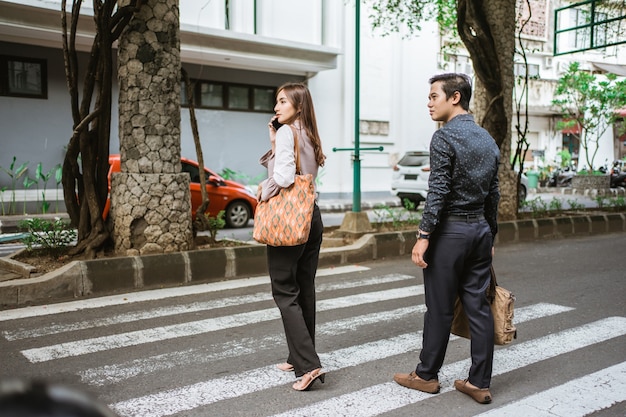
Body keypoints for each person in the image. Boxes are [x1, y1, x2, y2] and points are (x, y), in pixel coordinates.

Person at [393, 73, 500, 404]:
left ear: (455, 97)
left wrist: (423, 236)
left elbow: (438, 189)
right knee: (478, 308)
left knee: (439, 308)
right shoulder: (487, 139)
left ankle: (426, 375)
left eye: (433, 96)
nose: (429, 102)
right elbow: (493, 193)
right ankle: (479, 382)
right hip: (480, 231)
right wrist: (490, 234)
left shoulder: (444, 138)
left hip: (450, 233)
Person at [257, 82, 327, 391]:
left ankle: (308, 365)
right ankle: (297, 355)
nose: (276, 107)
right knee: (304, 287)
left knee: (284, 290)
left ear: (298, 106)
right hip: (311, 215)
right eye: (277, 101)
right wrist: (275, 141)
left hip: (290, 220)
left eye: (283, 101)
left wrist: (263, 190)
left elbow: (284, 177)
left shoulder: (288, 132)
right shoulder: (308, 133)